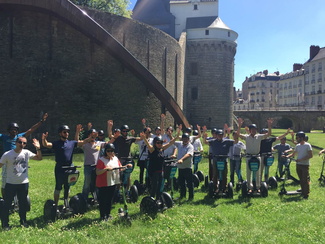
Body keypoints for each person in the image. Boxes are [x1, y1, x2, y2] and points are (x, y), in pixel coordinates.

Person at [0, 113, 48, 198]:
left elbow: (31, 130)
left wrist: (41, 121)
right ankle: (5, 199)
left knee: (19, 179)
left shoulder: (20, 137)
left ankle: (17, 199)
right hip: (7, 161)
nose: (13, 131)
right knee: (4, 182)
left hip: (18, 161)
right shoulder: (4, 137)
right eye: (12, 129)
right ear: (9, 130)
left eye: (15, 129)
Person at [42, 125, 91, 207]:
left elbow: (82, 142)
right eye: (64, 132)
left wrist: (90, 137)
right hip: (60, 168)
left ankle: (66, 204)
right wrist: (44, 139)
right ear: (60, 133)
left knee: (68, 187)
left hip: (69, 167)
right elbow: (47, 145)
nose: (67, 133)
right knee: (58, 187)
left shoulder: (71, 143)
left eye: (68, 132)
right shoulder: (56, 143)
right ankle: (56, 206)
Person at [0, 137, 42, 230]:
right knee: (7, 205)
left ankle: (23, 221)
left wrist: (38, 148)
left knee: (23, 204)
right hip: (10, 183)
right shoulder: (7, 154)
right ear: (16, 142)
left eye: (24, 143)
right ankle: (5, 224)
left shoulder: (26, 152)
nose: (22, 144)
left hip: (23, 183)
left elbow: (39, 158)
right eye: (20, 142)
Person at [75, 125, 115, 201]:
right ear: (89, 135)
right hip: (88, 166)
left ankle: (97, 198)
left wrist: (114, 137)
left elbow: (108, 144)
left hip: (97, 166)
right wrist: (77, 131)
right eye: (92, 134)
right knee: (87, 183)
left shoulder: (99, 143)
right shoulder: (85, 144)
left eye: (94, 134)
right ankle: (84, 199)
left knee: (97, 183)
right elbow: (77, 142)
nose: (94, 136)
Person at [140, 125, 181, 200]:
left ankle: (158, 199)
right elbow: (148, 145)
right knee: (154, 186)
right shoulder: (152, 150)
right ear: (155, 143)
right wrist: (144, 138)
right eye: (158, 143)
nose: (159, 144)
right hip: (153, 171)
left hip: (161, 171)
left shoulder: (162, 149)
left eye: (161, 143)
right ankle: (151, 199)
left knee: (160, 186)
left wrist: (177, 136)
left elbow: (170, 143)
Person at [96, 143, 131, 221]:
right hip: (103, 183)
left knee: (110, 199)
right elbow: (97, 172)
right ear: (105, 151)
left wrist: (126, 166)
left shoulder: (115, 158)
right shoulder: (101, 160)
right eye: (108, 151)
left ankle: (108, 214)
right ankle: (102, 216)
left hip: (112, 182)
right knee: (103, 200)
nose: (110, 152)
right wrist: (105, 169)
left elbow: (119, 168)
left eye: (112, 151)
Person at [237, 118, 272, 193]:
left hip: (257, 156)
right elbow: (238, 134)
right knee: (249, 172)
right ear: (249, 130)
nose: (254, 131)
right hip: (249, 157)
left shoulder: (259, 136)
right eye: (252, 129)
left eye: (255, 129)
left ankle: (258, 186)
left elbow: (268, 134)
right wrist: (239, 125)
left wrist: (269, 125)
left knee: (258, 173)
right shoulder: (246, 137)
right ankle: (250, 187)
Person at [285, 131, 312, 199]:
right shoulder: (297, 146)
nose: (296, 139)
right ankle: (303, 191)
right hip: (298, 165)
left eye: (297, 138)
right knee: (301, 179)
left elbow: (310, 155)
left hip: (305, 165)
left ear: (302, 138)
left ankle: (306, 194)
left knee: (305, 179)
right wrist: (287, 156)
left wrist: (301, 159)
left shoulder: (307, 145)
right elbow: (293, 154)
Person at [173, 132, 195, 200]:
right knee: (181, 183)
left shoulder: (190, 146)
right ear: (182, 139)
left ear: (188, 139)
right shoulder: (180, 144)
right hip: (180, 167)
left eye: (186, 139)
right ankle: (182, 195)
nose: (185, 140)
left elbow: (188, 154)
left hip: (187, 167)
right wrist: (171, 135)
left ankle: (191, 197)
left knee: (189, 183)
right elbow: (172, 141)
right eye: (184, 139)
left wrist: (181, 159)